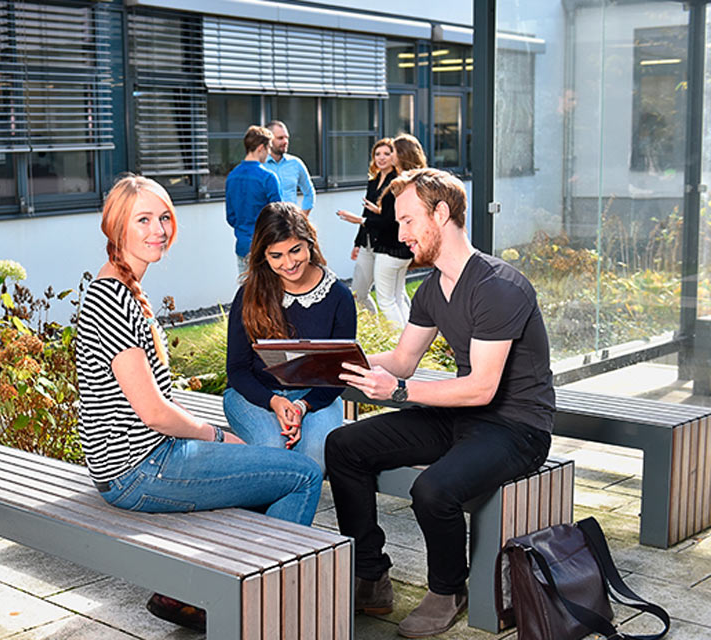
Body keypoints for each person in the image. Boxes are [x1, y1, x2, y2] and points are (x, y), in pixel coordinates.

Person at [76, 174, 323, 633]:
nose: (158, 230)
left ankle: (192, 595)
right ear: (116, 228)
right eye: (143, 220)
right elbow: (153, 413)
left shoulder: (121, 289)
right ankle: (256, 603)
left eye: (164, 217)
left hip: (137, 459)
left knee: (259, 467)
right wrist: (216, 434)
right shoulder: (112, 299)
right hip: (139, 469)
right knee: (303, 477)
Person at [326, 168, 555, 638]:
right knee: (344, 446)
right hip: (462, 418)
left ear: (442, 214)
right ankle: (370, 575)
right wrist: (331, 361)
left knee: (432, 491)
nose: (400, 233)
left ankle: (448, 590)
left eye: (408, 220)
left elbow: (481, 387)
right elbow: (404, 360)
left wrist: (399, 393)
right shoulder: (432, 287)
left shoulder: (498, 286)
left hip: (517, 428)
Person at [224, 202, 355, 473]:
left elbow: (339, 374)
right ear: (264, 256)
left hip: (317, 397)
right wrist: (275, 401)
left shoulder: (339, 297)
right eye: (276, 256)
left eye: (295, 250)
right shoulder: (249, 294)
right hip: (253, 394)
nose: (289, 263)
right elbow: (237, 370)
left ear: (309, 243)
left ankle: (273, 517)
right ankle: (260, 517)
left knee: (315, 453)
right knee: (273, 449)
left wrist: (302, 405)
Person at [337, 134, 427, 327]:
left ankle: (399, 344)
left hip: (389, 246)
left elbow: (390, 220)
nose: (385, 157)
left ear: (400, 155)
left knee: (388, 300)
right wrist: (360, 238)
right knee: (393, 296)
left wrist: (360, 219)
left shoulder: (400, 182)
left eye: (390, 152)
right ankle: (405, 339)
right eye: (378, 153)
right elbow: (393, 214)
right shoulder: (404, 181)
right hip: (387, 245)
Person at [225, 125, 283, 274]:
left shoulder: (231, 177)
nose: (269, 153)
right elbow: (279, 216)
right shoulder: (268, 177)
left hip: (243, 246)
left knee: (246, 292)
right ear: (261, 148)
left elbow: (231, 218)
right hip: (265, 247)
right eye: (268, 148)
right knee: (269, 294)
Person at [263, 121, 315, 215]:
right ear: (268, 140)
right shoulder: (260, 165)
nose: (285, 141)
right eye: (280, 138)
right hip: (267, 225)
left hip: (290, 224)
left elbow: (309, 193)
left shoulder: (296, 163)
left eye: (286, 137)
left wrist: (302, 218)